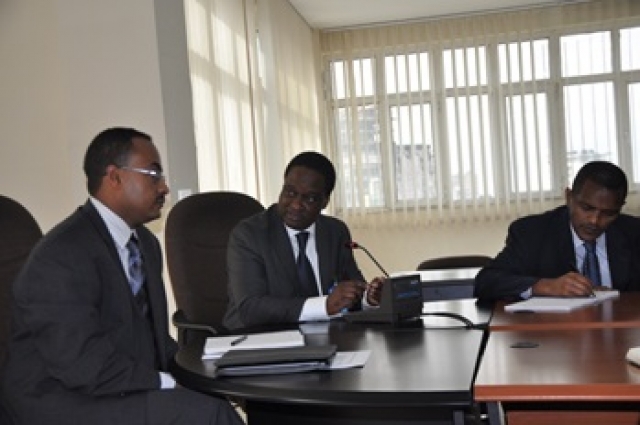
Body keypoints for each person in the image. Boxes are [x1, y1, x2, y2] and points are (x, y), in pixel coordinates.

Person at [0, 128, 243, 425]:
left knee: (211, 399)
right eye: (153, 175)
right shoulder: (61, 255)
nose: (165, 187)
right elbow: (82, 365)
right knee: (203, 413)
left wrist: (209, 369)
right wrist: (167, 383)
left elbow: (153, 339)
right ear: (114, 177)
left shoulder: (145, 243)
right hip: (58, 397)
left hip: (110, 383)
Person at [223, 151, 384, 330]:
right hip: (257, 340)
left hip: (322, 337)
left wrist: (369, 298)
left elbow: (351, 290)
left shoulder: (335, 231)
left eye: (309, 198)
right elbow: (251, 309)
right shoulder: (249, 235)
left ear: (324, 201)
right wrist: (325, 305)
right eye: (290, 193)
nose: (296, 204)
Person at [474, 160, 640, 301]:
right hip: (555, 334)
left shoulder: (634, 233)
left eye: (608, 213)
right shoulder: (533, 233)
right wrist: (544, 286)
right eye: (586, 208)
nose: (594, 221)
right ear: (569, 197)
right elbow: (486, 282)